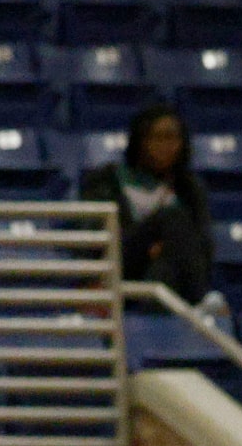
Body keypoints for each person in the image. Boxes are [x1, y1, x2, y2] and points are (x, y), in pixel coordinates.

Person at [81, 103, 217, 311]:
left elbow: (203, 244)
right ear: (140, 140)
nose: (166, 146)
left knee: (166, 269)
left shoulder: (189, 188)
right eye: (159, 137)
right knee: (172, 217)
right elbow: (96, 239)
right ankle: (201, 299)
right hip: (122, 264)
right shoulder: (107, 180)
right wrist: (147, 249)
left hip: (167, 274)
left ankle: (152, 323)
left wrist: (166, 249)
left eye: (173, 137)